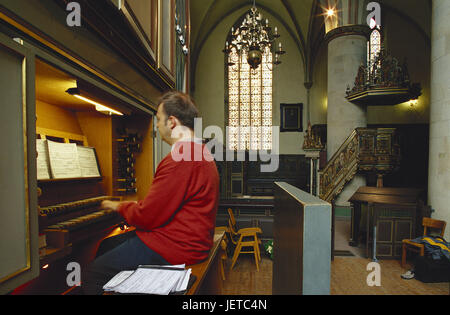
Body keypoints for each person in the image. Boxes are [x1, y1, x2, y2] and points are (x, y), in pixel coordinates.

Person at [82, 91, 220, 294]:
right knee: (107, 245)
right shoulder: (200, 151)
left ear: (172, 122)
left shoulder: (181, 158)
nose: (156, 126)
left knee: (91, 274)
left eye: (158, 119)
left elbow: (147, 216)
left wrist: (118, 206)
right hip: (190, 242)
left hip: (177, 248)